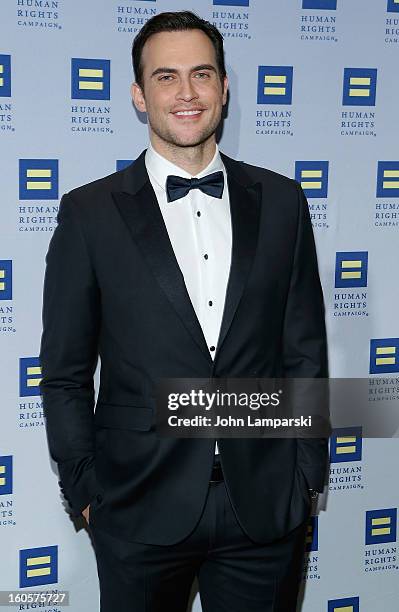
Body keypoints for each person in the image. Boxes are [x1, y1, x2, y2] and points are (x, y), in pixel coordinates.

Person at [39, 10, 329, 612]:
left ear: (224, 87)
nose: (187, 92)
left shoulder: (281, 202)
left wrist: (306, 474)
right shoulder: (90, 214)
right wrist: (86, 491)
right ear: (139, 96)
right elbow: (65, 371)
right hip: (136, 507)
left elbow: (304, 350)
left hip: (265, 508)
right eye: (166, 77)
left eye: (202, 74)